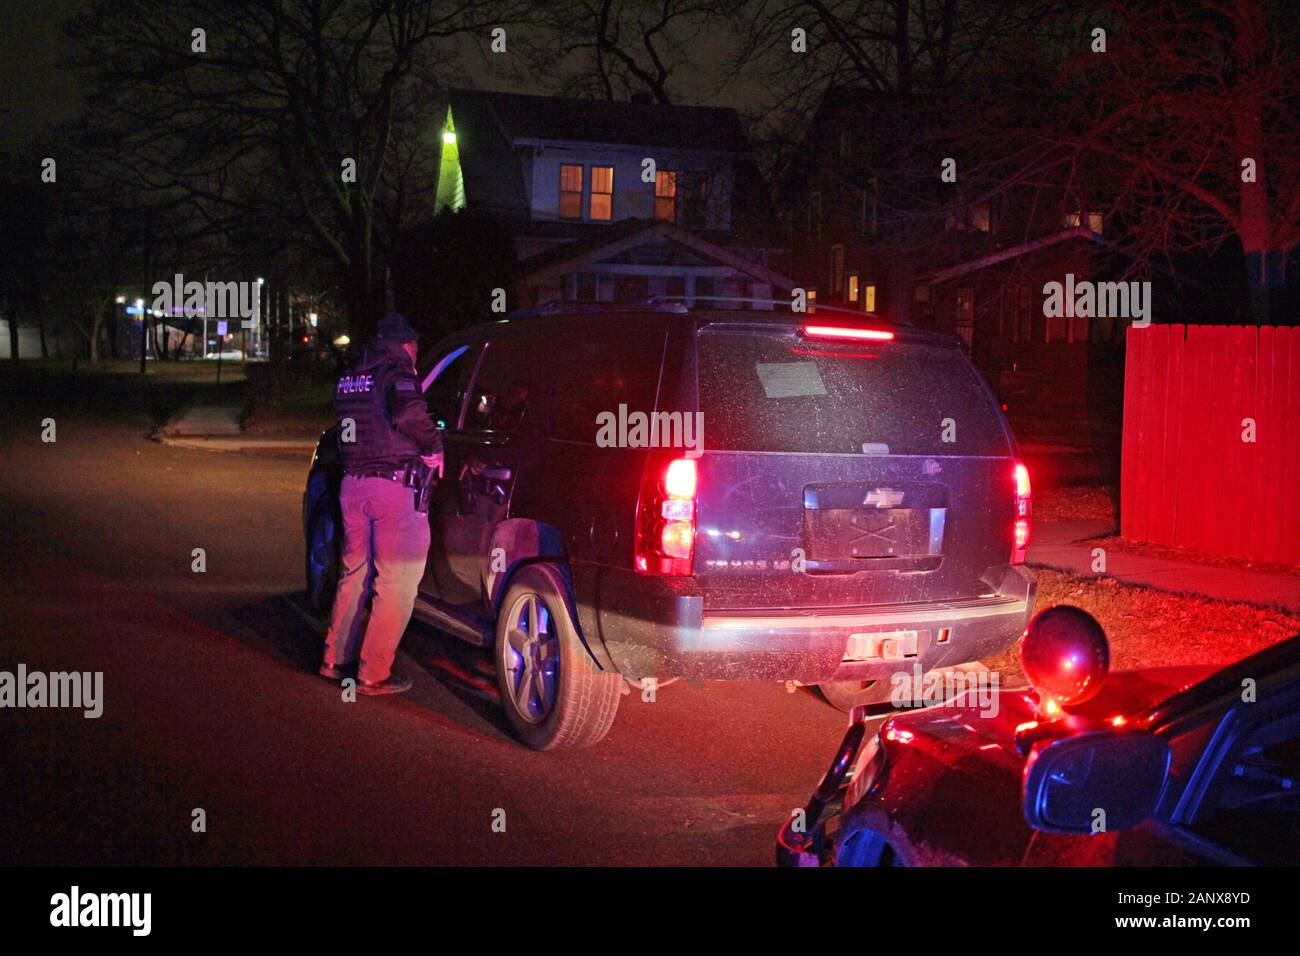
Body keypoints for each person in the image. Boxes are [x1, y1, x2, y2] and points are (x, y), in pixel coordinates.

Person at [320, 312, 443, 695]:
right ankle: (373, 674)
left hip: (353, 486)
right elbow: (408, 411)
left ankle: (333, 660)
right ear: (407, 344)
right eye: (416, 349)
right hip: (392, 490)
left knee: (354, 575)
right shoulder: (396, 369)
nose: (416, 357)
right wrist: (433, 446)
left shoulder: (352, 375)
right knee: (396, 582)